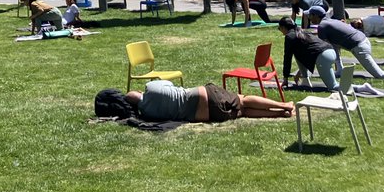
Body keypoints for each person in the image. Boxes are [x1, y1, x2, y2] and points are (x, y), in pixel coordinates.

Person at [315, 16, 384, 84]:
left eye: (310, 15)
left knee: (380, 75)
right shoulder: (330, 21)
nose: (309, 17)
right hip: (364, 40)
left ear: (315, 15)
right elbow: (332, 46)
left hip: (360, 47)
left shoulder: (322, 27)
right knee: (334, 45)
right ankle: (340, 70)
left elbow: (322, 49)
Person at [125, 79, 292, 121]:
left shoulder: (147, 113)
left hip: (202, 116)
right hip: (201, 95)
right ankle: (283, 105)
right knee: (244, 99)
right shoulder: (151, 87)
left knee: (243, 112)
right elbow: (169, 84)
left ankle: (278, 114)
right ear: (139, 92)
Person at [278, 17, 340, 90]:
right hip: (331, 51)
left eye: (279, 28)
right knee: (297, 54)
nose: (281, 31)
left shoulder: (289, 37)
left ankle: (355, 88)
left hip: (323, 56)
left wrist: (285, 79)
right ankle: (305, 80)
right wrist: (299, 74)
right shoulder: (302, 31)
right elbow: (303, 56)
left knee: (333, 87)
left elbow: (287, 58)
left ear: (283, 28)